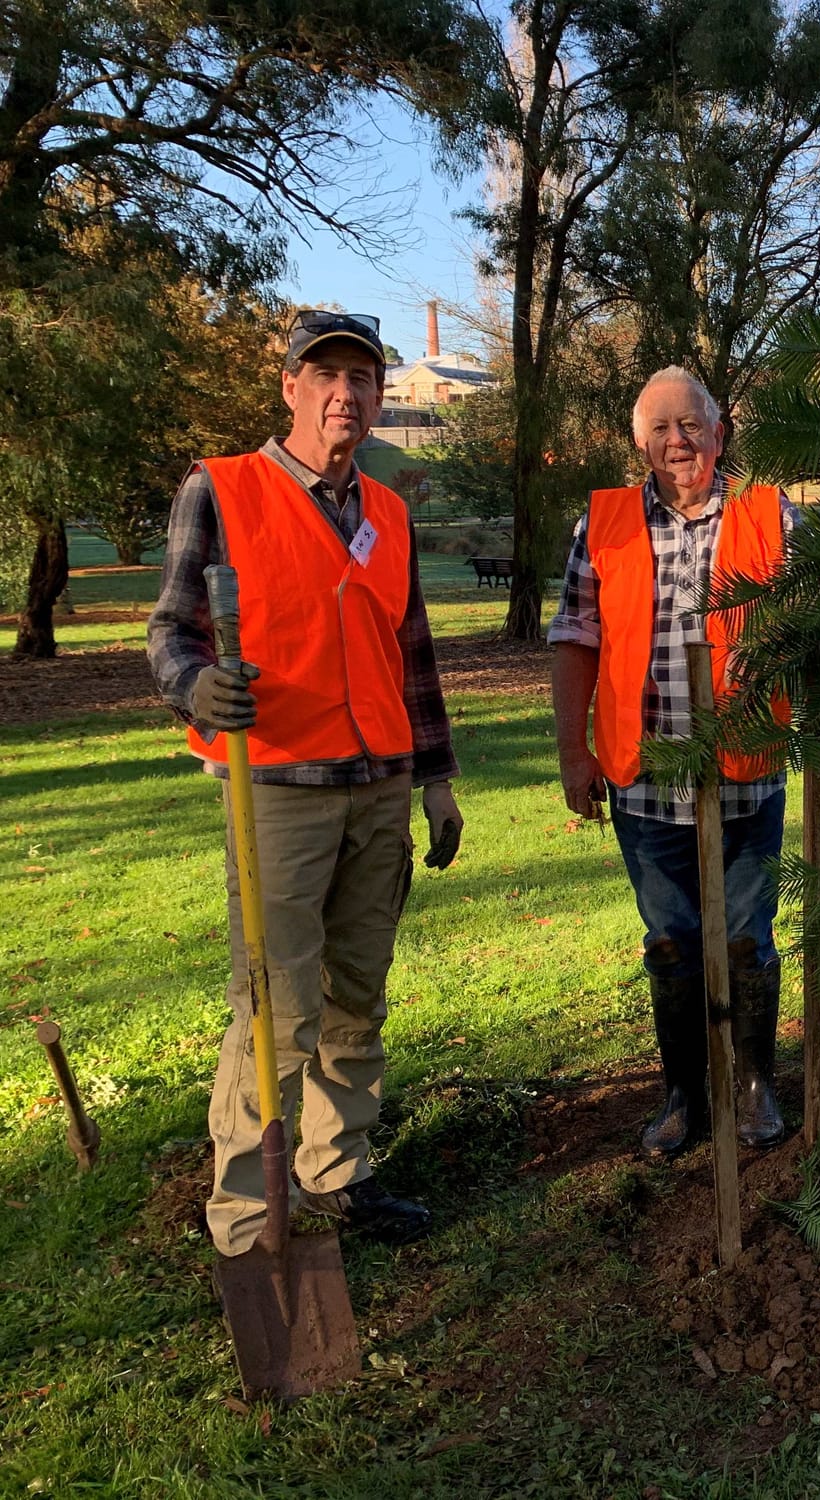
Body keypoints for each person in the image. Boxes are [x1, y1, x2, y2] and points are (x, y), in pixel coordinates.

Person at [147, 308, 463, 1253]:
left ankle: (338, 1173)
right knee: (276, 1004)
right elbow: (170, 630)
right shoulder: (222, 489)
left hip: (378, 783)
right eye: (324, 376)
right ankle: (249, 1214)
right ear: (289, 386)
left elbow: (412, 654)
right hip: (278, 788)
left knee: (357, 994)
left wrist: (436, 779)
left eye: (362, 378)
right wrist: (196, 688)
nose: (344, 394)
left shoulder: (392, 511)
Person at [549, 367, 798, 1158]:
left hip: (746, 772)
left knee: (745, 936)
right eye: (660, 428)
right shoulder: (603, 524)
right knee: (671, 938)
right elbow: (576, 640)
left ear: (720, 434)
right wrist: (572, 754)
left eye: (691, 424)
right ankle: (684, 1093)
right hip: (643, 780)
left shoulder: (773, 514)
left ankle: (754, 1087)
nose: (677, 441)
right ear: (639, 442)